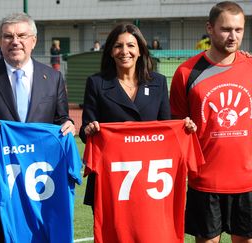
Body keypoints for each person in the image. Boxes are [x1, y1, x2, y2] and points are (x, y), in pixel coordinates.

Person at [0, 12, 75, 243]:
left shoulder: (52, 77)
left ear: (33, 40)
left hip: (41, 186)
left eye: (22, 35)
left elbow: (62, 119)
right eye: (8, 36)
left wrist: (69, 125)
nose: (15, 41)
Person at [79, 23, 196, 208]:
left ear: (140, 50)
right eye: (118, 46)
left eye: (131, 45)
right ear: (110, 51)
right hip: (110, 175)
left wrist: (184, 127)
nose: (124, 51)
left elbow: (167, 129)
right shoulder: (96, 83)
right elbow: (85, 133)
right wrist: (90, 129)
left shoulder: (157, 82)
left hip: (150, 177)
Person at [170, 2, 252, 243]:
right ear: (210, 28)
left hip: (247, 179)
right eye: (226, 29)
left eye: (239, 30)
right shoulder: (186, 72)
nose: (233, 36)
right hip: (205, 180)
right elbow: (176, 125)